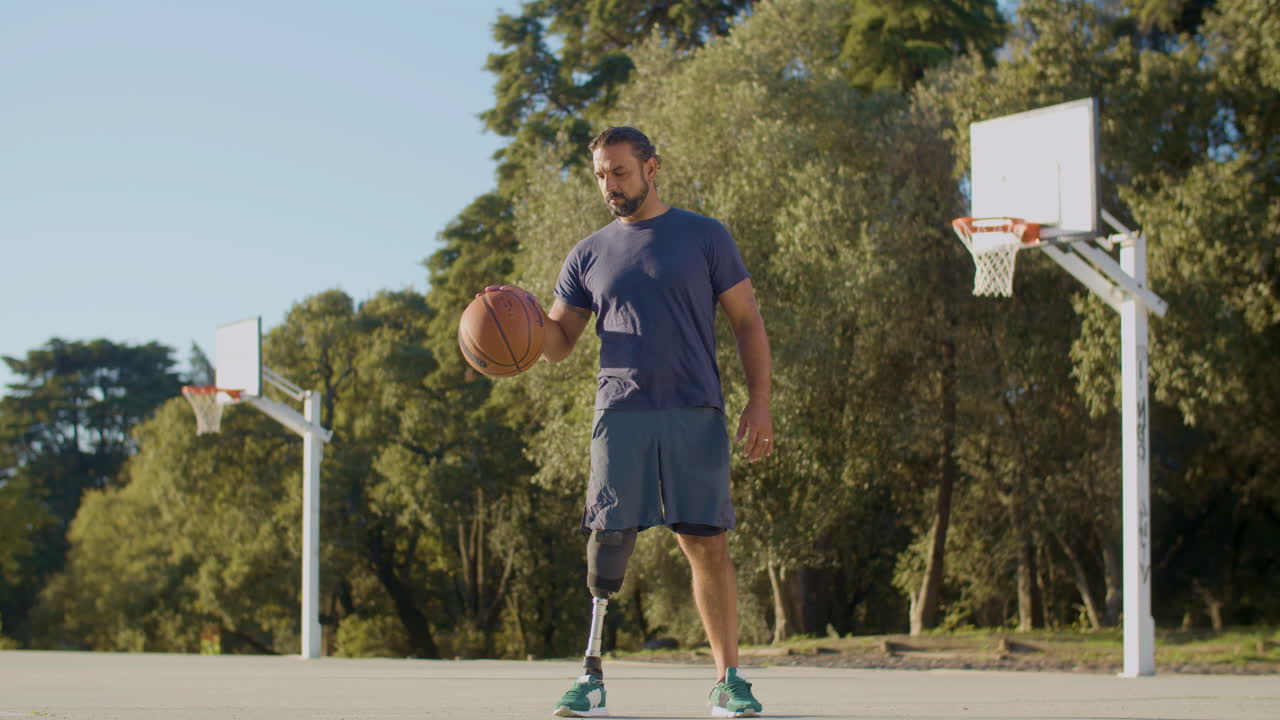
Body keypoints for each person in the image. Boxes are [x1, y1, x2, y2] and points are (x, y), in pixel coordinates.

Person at [488, 126, 773, 718]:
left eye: (619, 172)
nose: (609, 185)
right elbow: (561, 341)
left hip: (694, 407)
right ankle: (590, 676)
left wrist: (760, 400)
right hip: (620, 412)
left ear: (652, 168)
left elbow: (747, 320)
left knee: (705, 540)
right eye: (600, 174)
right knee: (608, 541)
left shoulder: (704, 236)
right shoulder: (588, 253)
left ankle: (729, 680)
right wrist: (515, 323)